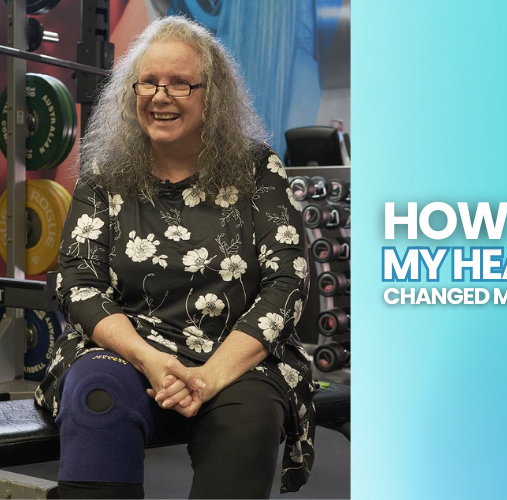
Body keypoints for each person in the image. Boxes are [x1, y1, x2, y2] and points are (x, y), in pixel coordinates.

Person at [34, 15, 314, 499]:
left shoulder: (257, 169)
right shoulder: (105, 174)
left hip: (232, 354)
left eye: (180, 84)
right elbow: (79, 282)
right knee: (95, 397)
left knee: (248, 422)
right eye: (149, 82)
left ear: (212, 96)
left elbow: (286, 283)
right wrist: (148, 358)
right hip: (126, 348)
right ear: (133, 91)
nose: (161, 96)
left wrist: (209, 377)